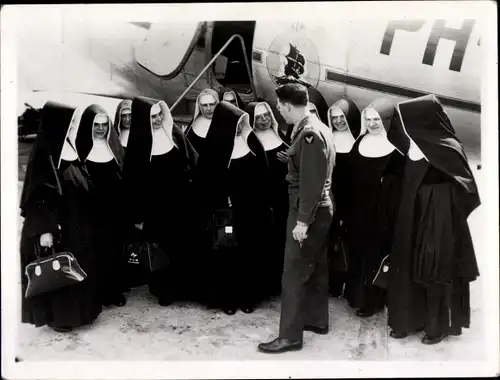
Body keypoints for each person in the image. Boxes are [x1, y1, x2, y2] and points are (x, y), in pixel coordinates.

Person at [387, 94, 480, 345]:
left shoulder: (448, 145)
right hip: (410, 216)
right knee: (406, 267)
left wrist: (436, 204)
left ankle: (435, 327)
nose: (401, 125)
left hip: (438, 222)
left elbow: (467, 189)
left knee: (433, 271)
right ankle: (406, 321)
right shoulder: (412, 147)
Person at [258, 83, 335, 353]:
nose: (279, 110)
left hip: (307, 209)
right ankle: (316, 320)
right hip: (321, 207)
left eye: (279, 106)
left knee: (293, 272)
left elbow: (312, 183)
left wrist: (302, 222)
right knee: (315, 267)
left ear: (288, 105)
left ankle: (289, 336)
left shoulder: (309, 134)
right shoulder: (317, 127)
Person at [19, 101, 102, 332]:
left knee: (77, 265)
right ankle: (62, 319)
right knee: (59, 268)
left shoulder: (67, 146)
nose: (74, 125)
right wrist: (45, 230)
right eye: (71, 121)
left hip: (76, 220)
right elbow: (38, 196)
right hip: (58, 223)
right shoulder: (45, 153)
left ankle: (82, 313)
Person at [195, 101, 274, 315]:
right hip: (225, 217)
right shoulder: (214, 147)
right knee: (227, 254)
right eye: (236, 123)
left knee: (249, 253)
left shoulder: (251, 141)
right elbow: (205, 182)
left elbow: (263, 176)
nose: (240, 127)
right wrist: (222, 199)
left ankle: (248, 297)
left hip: (249, 213)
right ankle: (228, 300)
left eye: (242, 123)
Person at [122, 97, 199, 306]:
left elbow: (193, 161)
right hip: (155, 210)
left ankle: (185, 288)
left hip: (181, 204)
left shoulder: (173, 133)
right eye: (152, 116)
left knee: (182, 247)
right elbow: (131, 184)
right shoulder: (138, 144)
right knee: (160, 252)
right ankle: (165, 291)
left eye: (159, 115)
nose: (157, 120)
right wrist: (137, 217)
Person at [342, 98, 406, 318]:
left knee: (375, 257)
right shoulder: (359, 143)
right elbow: (349, 178)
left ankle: (372, 301)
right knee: (357, 253)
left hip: (381, 215)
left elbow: (400, 185)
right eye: (368, 119)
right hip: (358, 211)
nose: (371, 123)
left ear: (387, 120)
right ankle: (355, 295)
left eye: (376, 119)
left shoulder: (397, 150)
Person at [75, 104, 127, 307]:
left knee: (113, 252)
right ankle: (97, 293)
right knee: (93, 252)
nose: (100, 129)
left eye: (104, 125)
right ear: (89, 126)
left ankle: (113, 292)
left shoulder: (114, 148)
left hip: (112, 212)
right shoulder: (81, 148)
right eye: (96, 125)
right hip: (91, 212)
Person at [246, 101, 290, 297]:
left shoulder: (280, 136)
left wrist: (290, 161)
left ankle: (277, 284)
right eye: (258, 118)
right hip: (258, 200)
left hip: (280, 200)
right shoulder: (248, 140)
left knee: (279, 241)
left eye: (266, 116)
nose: (263, 121)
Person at [326, 98, 361, 298]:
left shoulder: (358, 139)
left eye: (342, 117)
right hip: (331, 196)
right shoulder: (328, 138)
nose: (338, 121)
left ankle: (347, 283)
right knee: (331, 240)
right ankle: (333, 284)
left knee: (347, 241)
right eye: (335, 117)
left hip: (352, 199)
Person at [185, 88, 219, 157]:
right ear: (200, 106)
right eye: (204, 105)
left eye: (212, 104)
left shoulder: (226, 123)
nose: (209, 108)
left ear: (217, 104)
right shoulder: (193, 124)